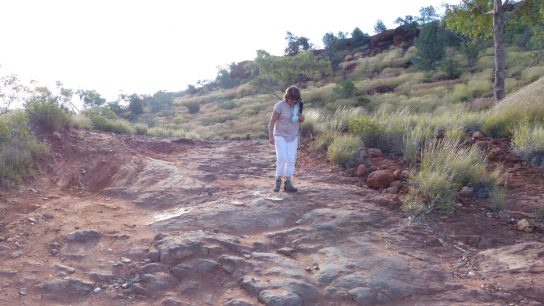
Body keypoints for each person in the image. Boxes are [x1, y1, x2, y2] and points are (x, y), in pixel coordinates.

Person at [268, 85, 305, 192]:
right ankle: (278, 180)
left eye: (295, 100)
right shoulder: (279, 106)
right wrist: (270, 135)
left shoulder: (298, 105)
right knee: (282, 158)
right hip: (280, 135)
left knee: (291, 159)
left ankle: (288, 182)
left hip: (293, 136)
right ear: (287, 97)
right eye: (291, 99)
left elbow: (301, 120)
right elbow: (272, 122)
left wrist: (299, 113)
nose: (292, 101)